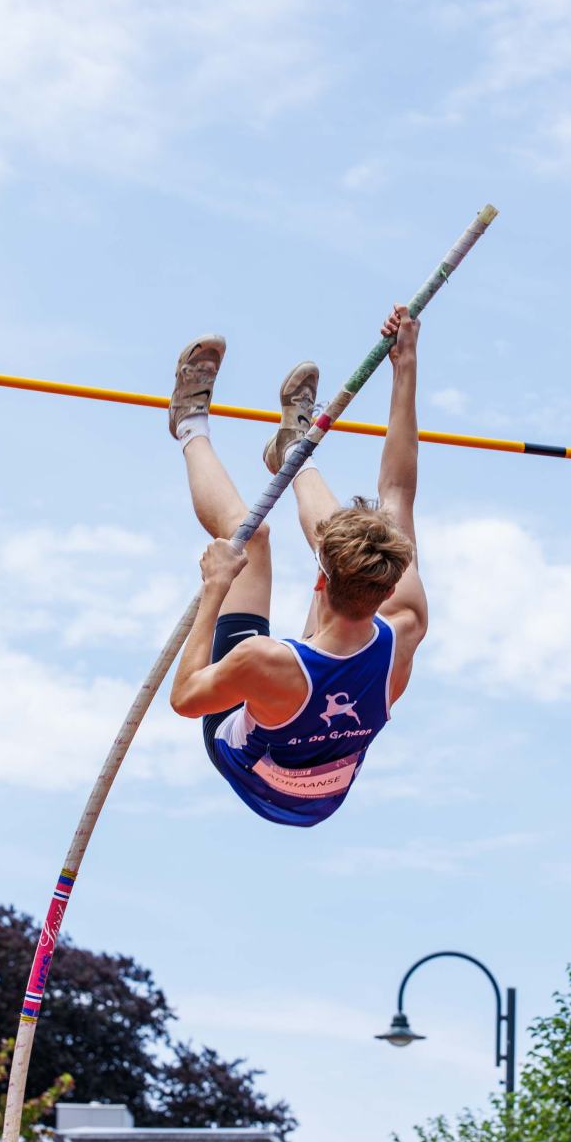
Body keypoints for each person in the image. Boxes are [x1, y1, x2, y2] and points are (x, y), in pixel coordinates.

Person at [168, 306, 427, 827]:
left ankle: (188, 424)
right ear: (388, 586)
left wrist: (216, 585)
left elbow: (187, 700)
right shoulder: (405, 624)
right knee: (332, 542)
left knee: (250, 540)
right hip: (321, 782)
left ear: (318, 579)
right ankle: (293, 453)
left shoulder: (264, 663)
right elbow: (397, 491)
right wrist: (405, 365)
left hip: (255, 771)